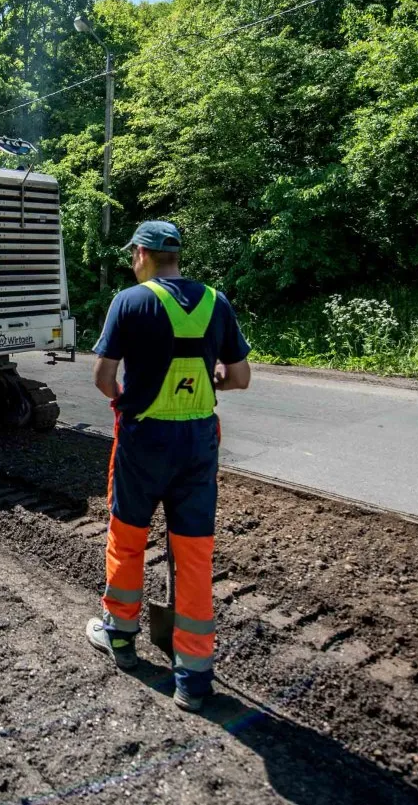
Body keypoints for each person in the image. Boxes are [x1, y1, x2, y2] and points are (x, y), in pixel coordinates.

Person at [85, 220, 252, 712]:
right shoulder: (215, 301)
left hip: (144, 440)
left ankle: (119, 636)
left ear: (141, 254)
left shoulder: (129, 301)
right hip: (198, 443)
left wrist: (129, 401)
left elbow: (102, 377)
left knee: (128, 536)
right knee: (196, 553)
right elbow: (240, 377)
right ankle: (194, 678)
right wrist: (210, 378)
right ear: (177, 255)